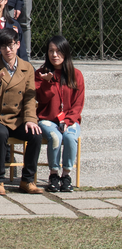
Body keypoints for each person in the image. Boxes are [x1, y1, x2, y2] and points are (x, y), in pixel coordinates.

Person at [0, 28, 43, 195]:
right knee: (0, 133)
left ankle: (27, 180)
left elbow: (30, 97)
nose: (8, 50)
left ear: (18, 45)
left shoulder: (27, 68)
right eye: (3, 46)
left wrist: (30, 119)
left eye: (11, 45)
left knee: (35, 134)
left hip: (17, 117)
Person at [36, 35, 85, 193]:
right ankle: (54, 174)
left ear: (66, 52)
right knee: (55, 137)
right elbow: (41, 99)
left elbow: (78, 104)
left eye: (58, 51)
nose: (54, 55)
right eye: (51, 51)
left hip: (70, 120)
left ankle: (66, 175)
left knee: (70, 137)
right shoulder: (41, 73)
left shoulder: (76, 75)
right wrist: (46, 82)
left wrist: (68, 121)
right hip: (47, 119)